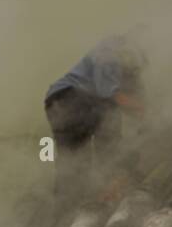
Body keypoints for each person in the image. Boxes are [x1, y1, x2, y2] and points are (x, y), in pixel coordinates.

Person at [44, 32, 149, 199]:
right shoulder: (110, 55)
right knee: (109, 125)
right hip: (72, 98)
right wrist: (142, 110)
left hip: (57, 102)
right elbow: (108, 93)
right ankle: (108, 184)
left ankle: (66, 204)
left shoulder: (105, 54)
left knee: (73, 159)